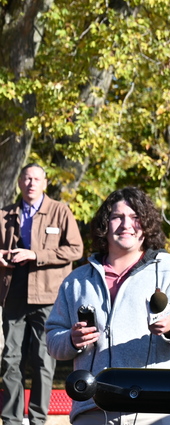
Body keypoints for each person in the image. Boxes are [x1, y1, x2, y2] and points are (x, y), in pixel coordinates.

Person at [46, 187, 170, 425]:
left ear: (146, 224)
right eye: (117, 217)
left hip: (154, 409)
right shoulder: (77, 280)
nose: (126, 224)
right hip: (92, 409)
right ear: (105, 224)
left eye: (135, 217)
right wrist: (71, 339)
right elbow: (52, 339)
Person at [0, 163, 83, 425]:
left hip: (48, 297)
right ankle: (11, 420)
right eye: (27, 178)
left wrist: (35, 254)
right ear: (19, 182)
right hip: (13, 294)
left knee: (43, 361)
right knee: (10, 359)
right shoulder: (4, 214)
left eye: (37, 179)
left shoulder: (60, 211)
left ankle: (38, 420)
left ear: (45, 183)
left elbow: (76, 249)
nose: (31, 183)